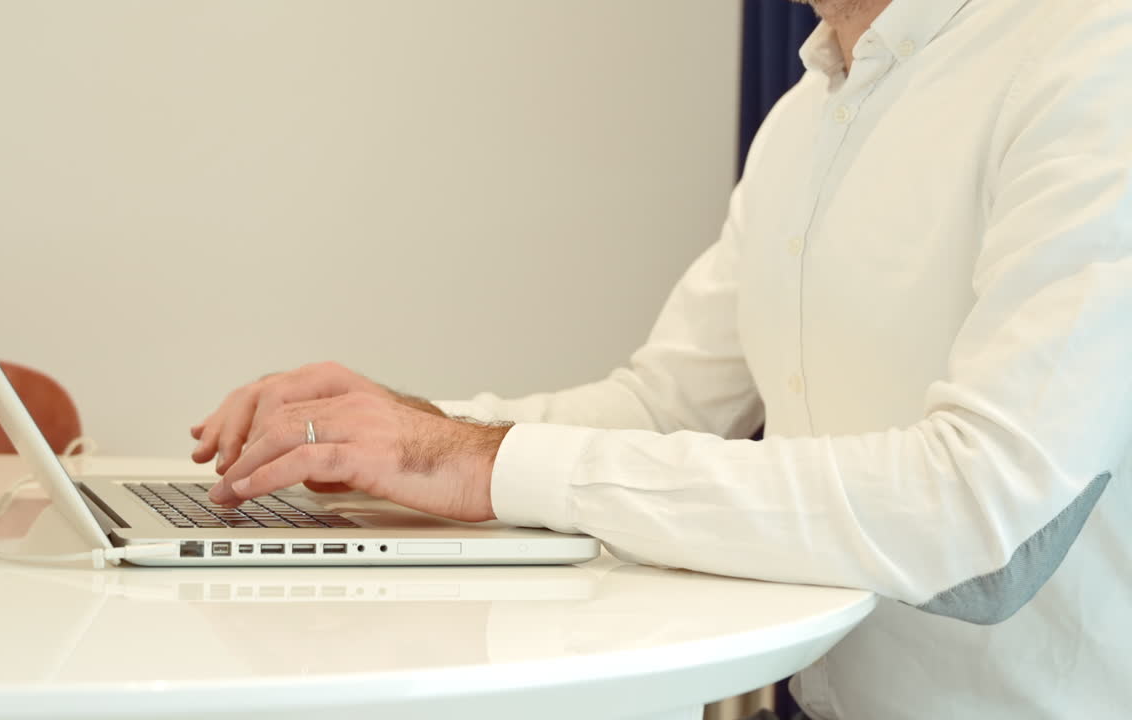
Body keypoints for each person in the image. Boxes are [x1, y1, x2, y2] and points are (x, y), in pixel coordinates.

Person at [189, 0, 1132, 717]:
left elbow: (989, 526)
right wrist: (406, 438)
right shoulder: (807, 115)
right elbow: (663, 405)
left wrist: (472, 461)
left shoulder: (1093, 59)